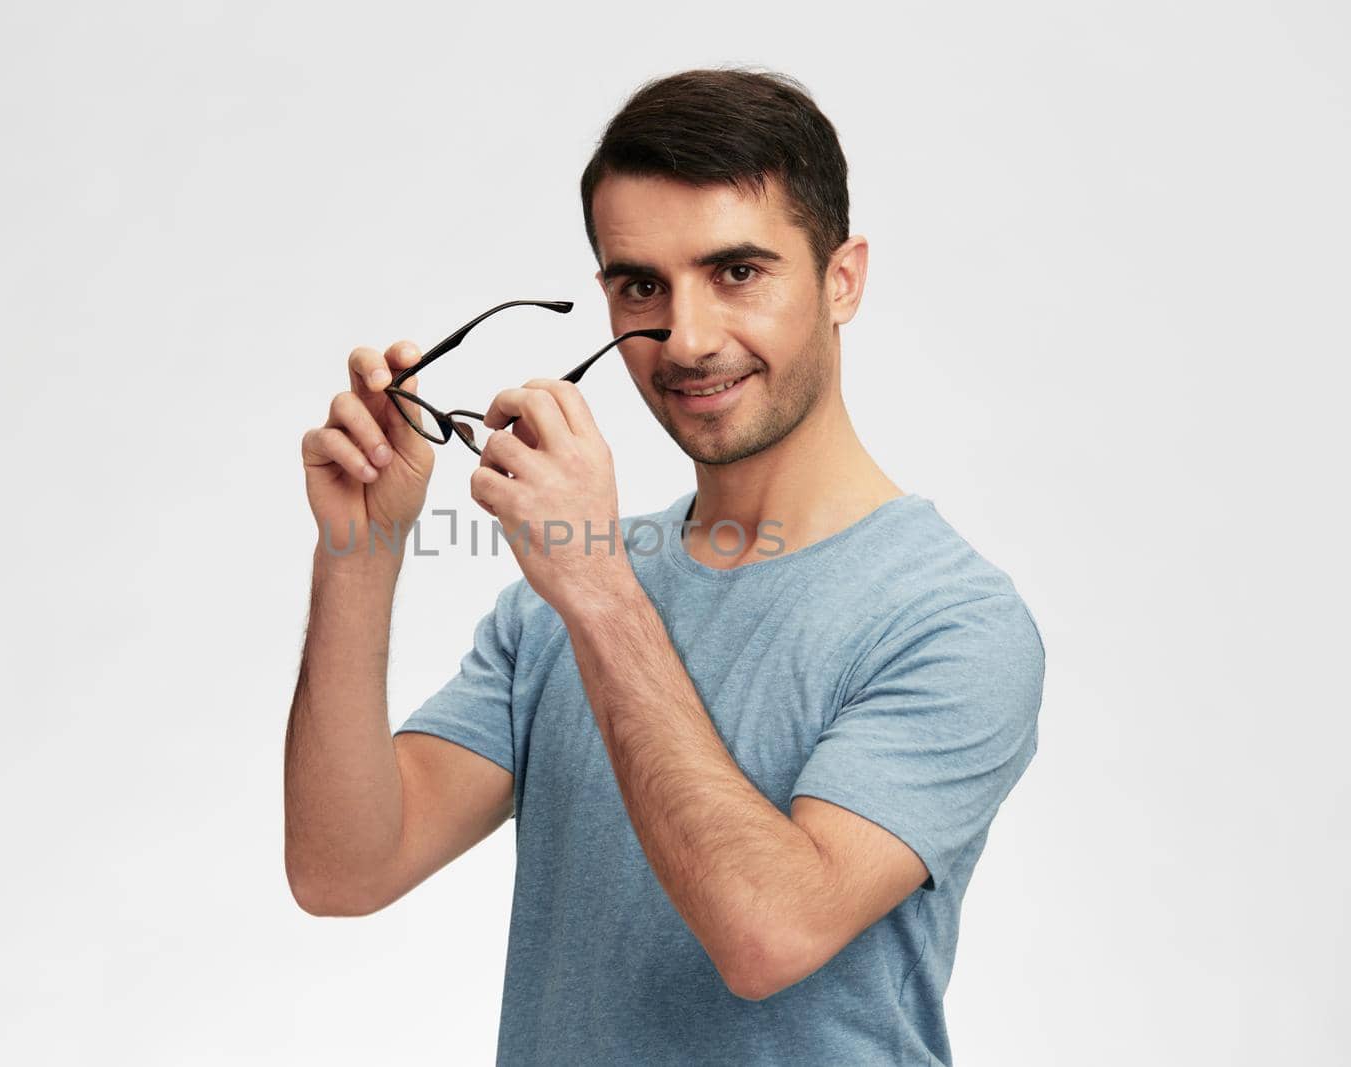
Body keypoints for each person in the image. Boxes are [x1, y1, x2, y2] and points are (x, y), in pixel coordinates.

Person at [286, 66, 1045, 1066]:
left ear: (842, 277)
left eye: (737, 271)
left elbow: (767, 932)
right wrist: (360, 550)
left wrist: (598, 586)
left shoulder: (950, 620)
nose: (683, 337)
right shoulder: (556, 601)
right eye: (641, 285)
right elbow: (344, 868)